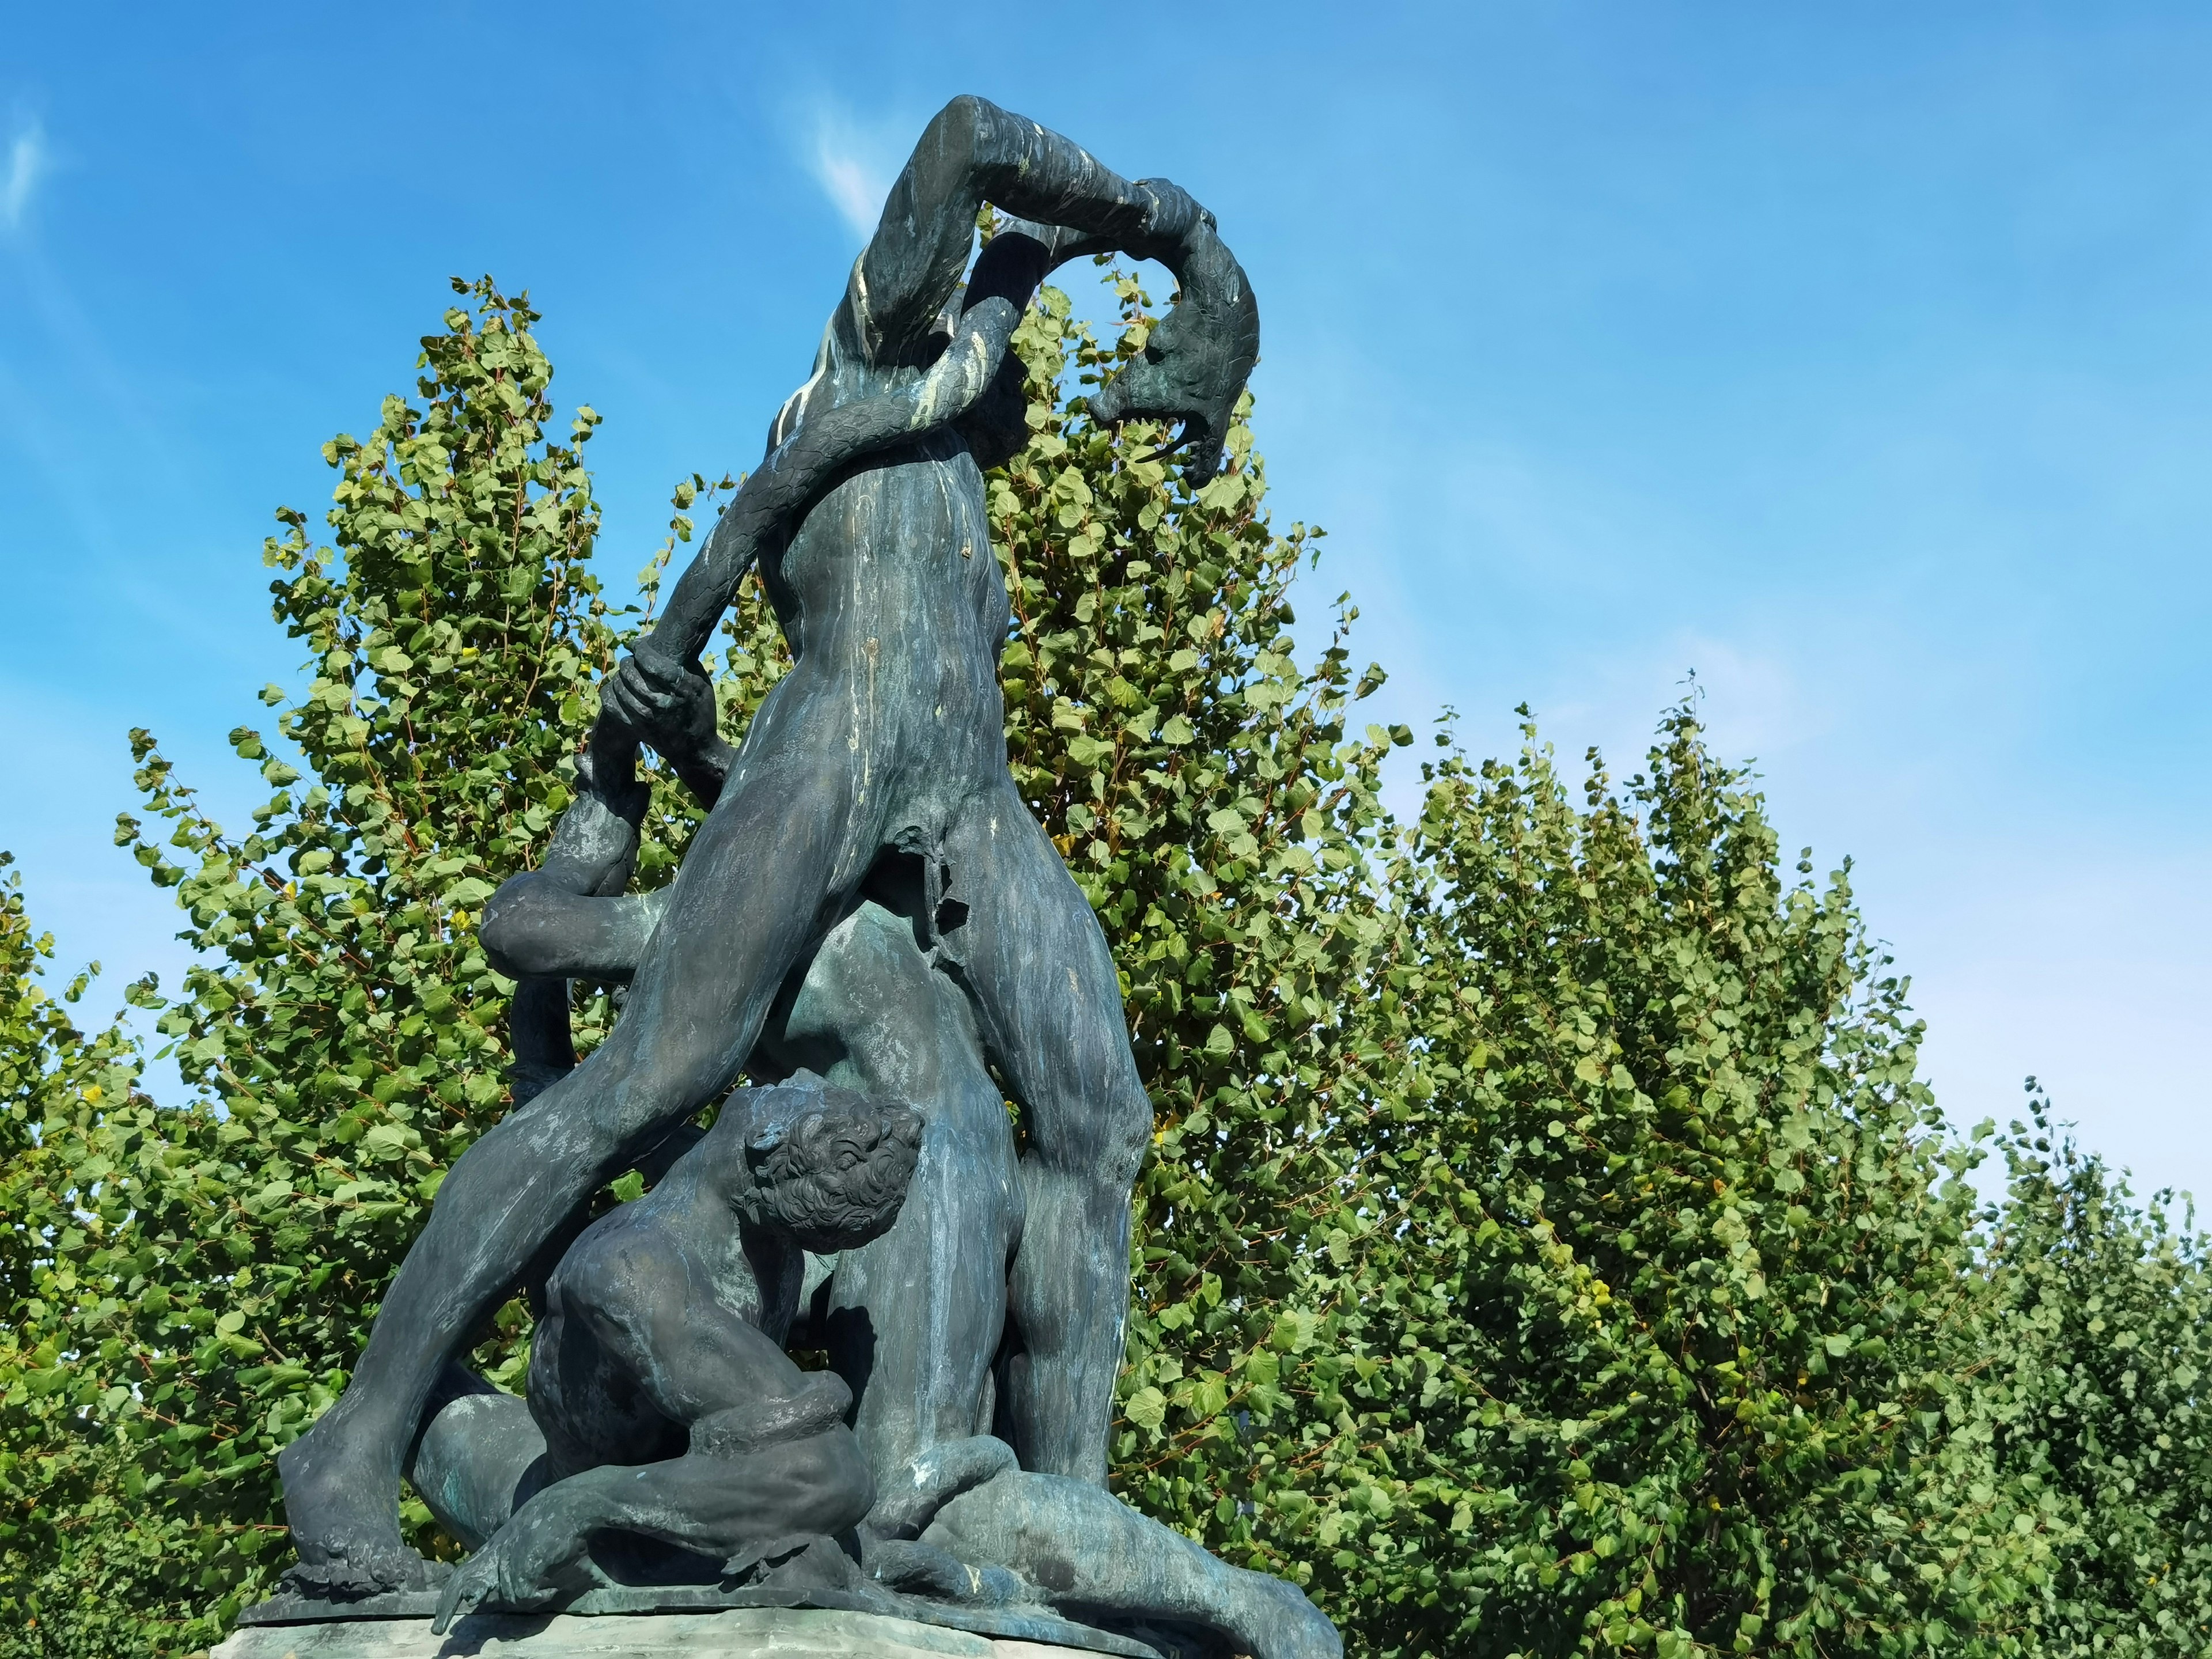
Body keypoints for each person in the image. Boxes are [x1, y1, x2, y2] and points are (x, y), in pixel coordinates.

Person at [278, 93, 1259, 1592]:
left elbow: (1024, 254)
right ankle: (354, 1440)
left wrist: (1191, 295)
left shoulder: (957, 454)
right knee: (651, 1079)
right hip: (826, 758)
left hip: (967, 799)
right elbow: (973, 138)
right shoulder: (867, 362)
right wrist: (1172, 228)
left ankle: (1067, 1511)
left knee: (1099, 1111)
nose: (1028, 400)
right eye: (1005, 370)